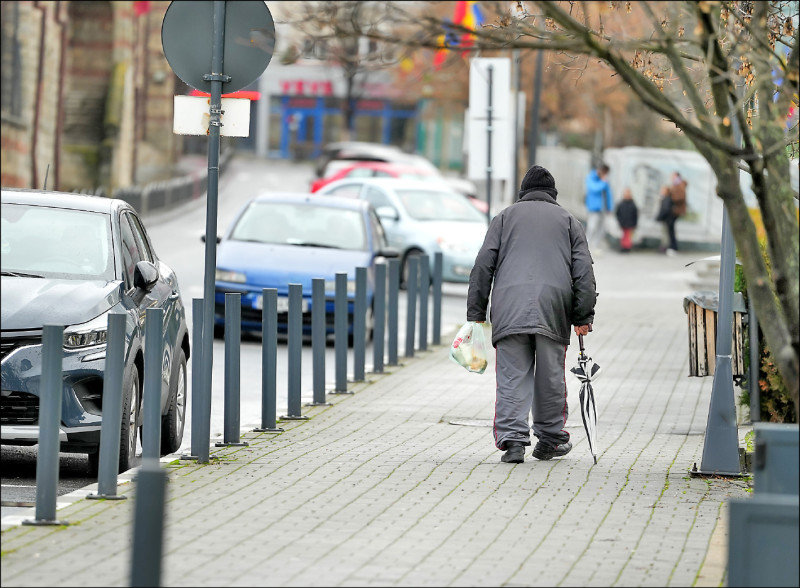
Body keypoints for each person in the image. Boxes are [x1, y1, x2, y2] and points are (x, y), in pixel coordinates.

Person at [467, 165, 597, 464]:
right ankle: (550, 440)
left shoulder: (503, 218)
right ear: (553, 194)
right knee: (550, 377)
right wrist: (582, 316)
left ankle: (513, 442)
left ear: (522, 192)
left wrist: (476, 311)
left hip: (509, 308)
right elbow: (584, 272)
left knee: (512, 376)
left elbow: (483, 265)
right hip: (554, 308)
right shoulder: (569, 221)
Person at [584, 163, 613, 251]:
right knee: (592, 227)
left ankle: (595, 245)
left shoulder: (604, 180)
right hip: (594, 208)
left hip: (603, 208)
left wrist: (609, 207)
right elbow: (594, 189)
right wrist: (603, 182)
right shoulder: (591, 177)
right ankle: (586, 245)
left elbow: (609, 194)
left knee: (601, 228)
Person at [657, 171, 687, 255]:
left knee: (671, 229)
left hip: (675, 210)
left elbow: (681, 197)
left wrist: (670, 198)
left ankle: (673, 247)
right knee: (670, 229)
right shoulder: (676, 184)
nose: (671, 177)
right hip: (674, 210)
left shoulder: (679, 184)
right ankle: (671, 247)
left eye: (672, 175)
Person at [614, 187, 638, 252]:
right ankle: (623, 246)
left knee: (628, 235)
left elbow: (635, 215)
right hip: (623, 222)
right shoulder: (621, 203)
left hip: (630, 223)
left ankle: (627, 247)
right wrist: (620, 220)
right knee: (623, 235)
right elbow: (618, 213)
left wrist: (634, 224)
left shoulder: (633, 204)